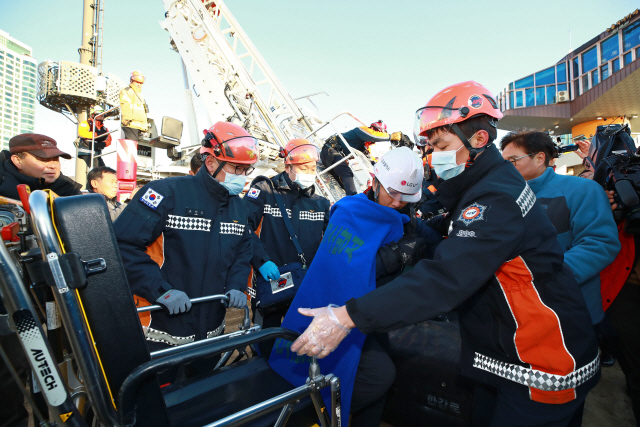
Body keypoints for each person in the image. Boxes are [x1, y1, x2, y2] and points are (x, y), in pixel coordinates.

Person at [290, 81, 600, 427]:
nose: (434, 154)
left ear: (479, 140)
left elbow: (444, 279)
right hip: (510, 354)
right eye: (431, 145)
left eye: (442, 144)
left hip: (540, 356)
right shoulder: (486, 188)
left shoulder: (492, 199)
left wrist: (346, 317)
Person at [270, 146, 431, 426]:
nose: (396, 203)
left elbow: (428, 238)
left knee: (373, 385)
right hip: (339, 306)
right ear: (375, 181)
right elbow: (338, 262)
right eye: (392, 193)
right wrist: (382, 261)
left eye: (404, 197)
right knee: (377, 376)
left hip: (374, 311)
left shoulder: (405, 221)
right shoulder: (346, 210)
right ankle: (314, 411)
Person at [114, 121, 257, 379]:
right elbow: (123, 246)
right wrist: (161, 291)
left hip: (211, 329)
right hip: (159, 330)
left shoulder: (239, 207)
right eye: (237, 168)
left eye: (247, 170)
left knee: (199, 396)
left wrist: (236, 285)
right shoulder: (165, 194)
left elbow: (242, 251)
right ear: (211, 162)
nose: (242, 176)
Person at [501, 130, 620, 329]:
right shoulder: (502, 196)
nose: (506, 168)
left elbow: (600, 243)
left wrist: (544, 276)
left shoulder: (582, 189)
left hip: (571, 308)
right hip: (518, 310)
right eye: (503, 162)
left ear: (540, 158)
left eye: (513, 160)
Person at [245, 138, 330, 355]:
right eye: (303, 168)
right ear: (288, 165)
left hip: (304, 285)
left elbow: (331, 242)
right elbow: (242, 226)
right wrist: (261, 261)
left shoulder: (320, 203)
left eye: (312, 168)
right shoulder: (265, 190)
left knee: (302, 344)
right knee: (265, 343)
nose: (309, 173)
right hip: (272, 283)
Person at [320, 121, 401, 196]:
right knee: (347, 173)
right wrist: (391, 137)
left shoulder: (364, 145)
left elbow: (370, 159)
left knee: (342, 184)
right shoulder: (361, 130)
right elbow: (373, 135)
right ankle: (353, 199)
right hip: (329, 151)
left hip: (334, 156)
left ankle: (348, 202)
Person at [0, 134, 82, 199]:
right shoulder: (2, 187)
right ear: (18, 161)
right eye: (44, 159)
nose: (53, 166)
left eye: (56, 159)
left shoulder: (70, 190)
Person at [119, 71, 148, 142]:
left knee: (135, 147)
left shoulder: (140, 95)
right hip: (131, 124)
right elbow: (124, 103)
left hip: (139, 125)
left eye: (141, 83)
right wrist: (126, 119)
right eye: (137, 82)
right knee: (130, 145)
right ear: (131, 81)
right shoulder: (127, 91)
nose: (139, 85)